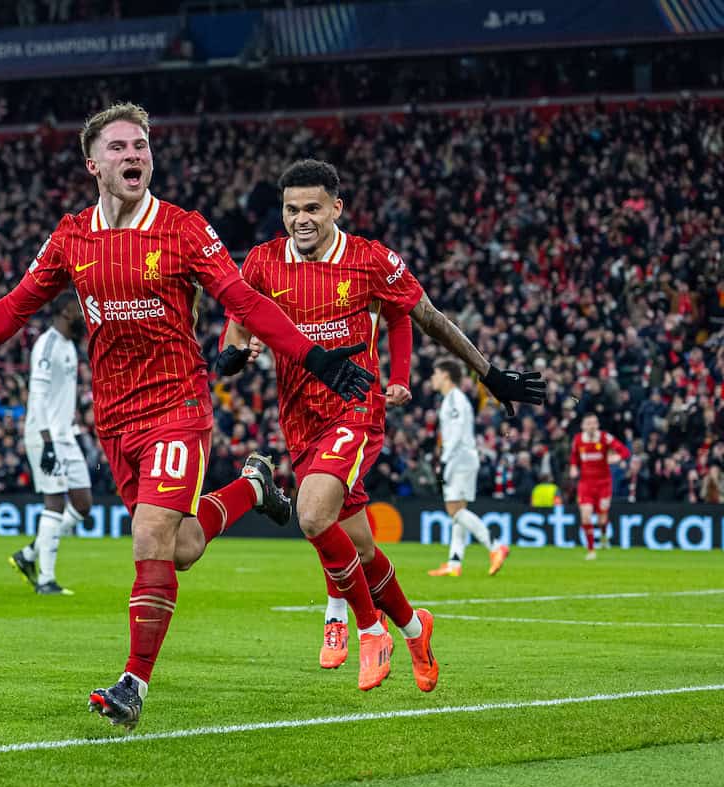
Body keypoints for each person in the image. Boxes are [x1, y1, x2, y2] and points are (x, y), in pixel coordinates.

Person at [0, 102, 379, 730]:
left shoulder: (184, 229)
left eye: (140, 145)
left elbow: (244, 299)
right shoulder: (71, 236)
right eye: (118, 147)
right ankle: (252, 488)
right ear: (93, 163)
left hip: (179, 406)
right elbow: (14, 307)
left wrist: (314, 355)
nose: (133, 155)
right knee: (181, 547)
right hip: (115, 420)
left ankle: (132, 684)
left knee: (148, 540)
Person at [220, 160, 544, 690]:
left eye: (312, 209)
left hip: (355, 409)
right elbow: (235, 328)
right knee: (361, 550)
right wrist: (232, 355)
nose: (301, 219)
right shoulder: (260, 263)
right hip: (299, 419)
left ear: (336, 209)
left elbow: (429, 318)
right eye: (291, 209)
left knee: (310, 514)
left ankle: (370, 629)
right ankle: (416, 627)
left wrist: (491, 375)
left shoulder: (371, 260)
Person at [9, 292, 91, 596]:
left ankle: (29, 555)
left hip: (66, 435)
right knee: (55, 502)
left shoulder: (69, 345)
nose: (82, 316)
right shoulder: (48, 344)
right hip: (45, 436)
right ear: (64, 311)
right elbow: (39, 395)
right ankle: (45, 580)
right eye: (78, 310)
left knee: (82, 504)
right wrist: (46, 442)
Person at [426, 359, 509, 577]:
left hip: (458, 459)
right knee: (458, 511)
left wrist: (444, 462)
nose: (432, 378)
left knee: (454, 510)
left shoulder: (454, 400)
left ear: (445, 375)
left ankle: (495, 545)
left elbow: (454, 436)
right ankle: (454, 562)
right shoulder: (453, 399)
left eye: (435, 373)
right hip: (464, 458)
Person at [568, 413, 630, 560]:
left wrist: (618, 458)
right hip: (586, 484)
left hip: (603, 484)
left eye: (594, 423)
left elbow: (625, 452)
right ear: (583, 426)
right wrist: (573, 467)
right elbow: (574, 458)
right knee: (586, 516)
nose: (591, 426)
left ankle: (603, 536)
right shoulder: (577, 440)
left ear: (597, 425)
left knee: (602, 519)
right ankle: (591, 550)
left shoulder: (604, 438)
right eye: (588, 423)